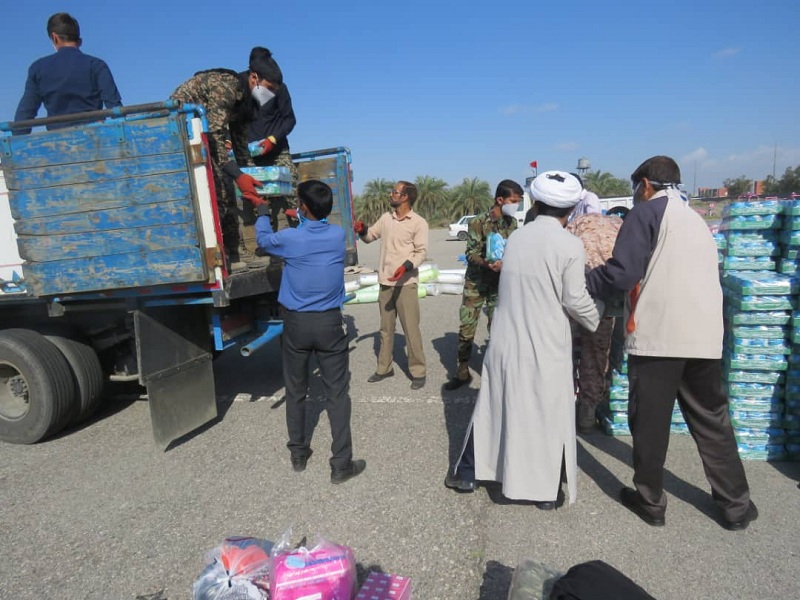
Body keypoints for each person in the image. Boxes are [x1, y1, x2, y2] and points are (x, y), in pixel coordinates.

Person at [585, 155, 757, 530]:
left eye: (635, 188)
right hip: (705, 337)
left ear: (645, 184)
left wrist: (587, 279)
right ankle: (736, 505)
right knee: (712, 421)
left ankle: (650, 501)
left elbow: (622, 273)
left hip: (660, 339)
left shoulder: (646, 214)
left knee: (649, 422)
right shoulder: (695, 218)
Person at [445, 171, 603, 508]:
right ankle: (546, 492)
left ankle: (468, 473)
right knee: (549, 413)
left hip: (506, 336)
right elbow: (574, 299)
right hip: (545, 343)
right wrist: (595, 319)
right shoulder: (570, 245)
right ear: (572, 208)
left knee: (494, 404)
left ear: (534, 202)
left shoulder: (516, 238)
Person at [254, 179, 365, 484]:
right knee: (338, 395)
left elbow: (263, 241)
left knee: (296, 390)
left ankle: (299, 454)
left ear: (303, 208)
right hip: (329, 324)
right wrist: (302, 216)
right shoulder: (337, 234)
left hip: (296, 325)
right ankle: (341, 464)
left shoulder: (290, 238)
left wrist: (262, 212)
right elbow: (315, 228)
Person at [171, 49, 282, 272]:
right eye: (268, 89)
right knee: (220, 187)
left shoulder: (248, 103)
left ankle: (236, 252)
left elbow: (240, 146)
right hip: (180, 134)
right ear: (254, 78)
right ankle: (226, 254)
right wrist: (238, 175)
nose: (269, 95)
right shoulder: (226, 87)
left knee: (230, 186)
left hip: (204, 137)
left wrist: (250, 178)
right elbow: (215, 135)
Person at [444, 179, 523, 390]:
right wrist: (487, 264)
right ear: (500, 199)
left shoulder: (512, 224)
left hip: (500, 283)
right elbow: (470, 254)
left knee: (498, 328)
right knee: (467, 326)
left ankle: (496, 371)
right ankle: (462, 371)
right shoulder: (478, 222)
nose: (516, 205)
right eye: (513, 201)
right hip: (476, 283)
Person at [353, 181, 428, 389]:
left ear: (405, 197)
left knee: (410, 329)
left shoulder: (418, 223)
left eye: (395, 192)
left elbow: (421, 252)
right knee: (386, 329)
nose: (390, 194)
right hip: (385, 282)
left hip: (406, 284)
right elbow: (370, 237)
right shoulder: (386, 219)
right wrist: (362, 230)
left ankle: (418, 371)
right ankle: (384, 368)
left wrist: (406, 266)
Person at [13, 13, 122, 134]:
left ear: (54, 38)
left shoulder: (38, 68)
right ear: (79, 41)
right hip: (96, 140)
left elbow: (24, 116)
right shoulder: (97, 65)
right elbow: (115, 107)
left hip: (56, 143)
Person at [566, 213, 624, 432]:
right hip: (605, 297)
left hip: (574, 293)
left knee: (566, 351)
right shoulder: (620, 225)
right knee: (596, 355)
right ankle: (587, 416)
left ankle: (563, 409)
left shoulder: (577, 222)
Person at [247, 47, 299, 233]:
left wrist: (273, 139)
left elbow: (290, 119)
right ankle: (266, 238)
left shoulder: (279, 88)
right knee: (257, 196)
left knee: (291, 182)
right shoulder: (243, 86)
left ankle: (298, 229)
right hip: (251, 153)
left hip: (277, 149)